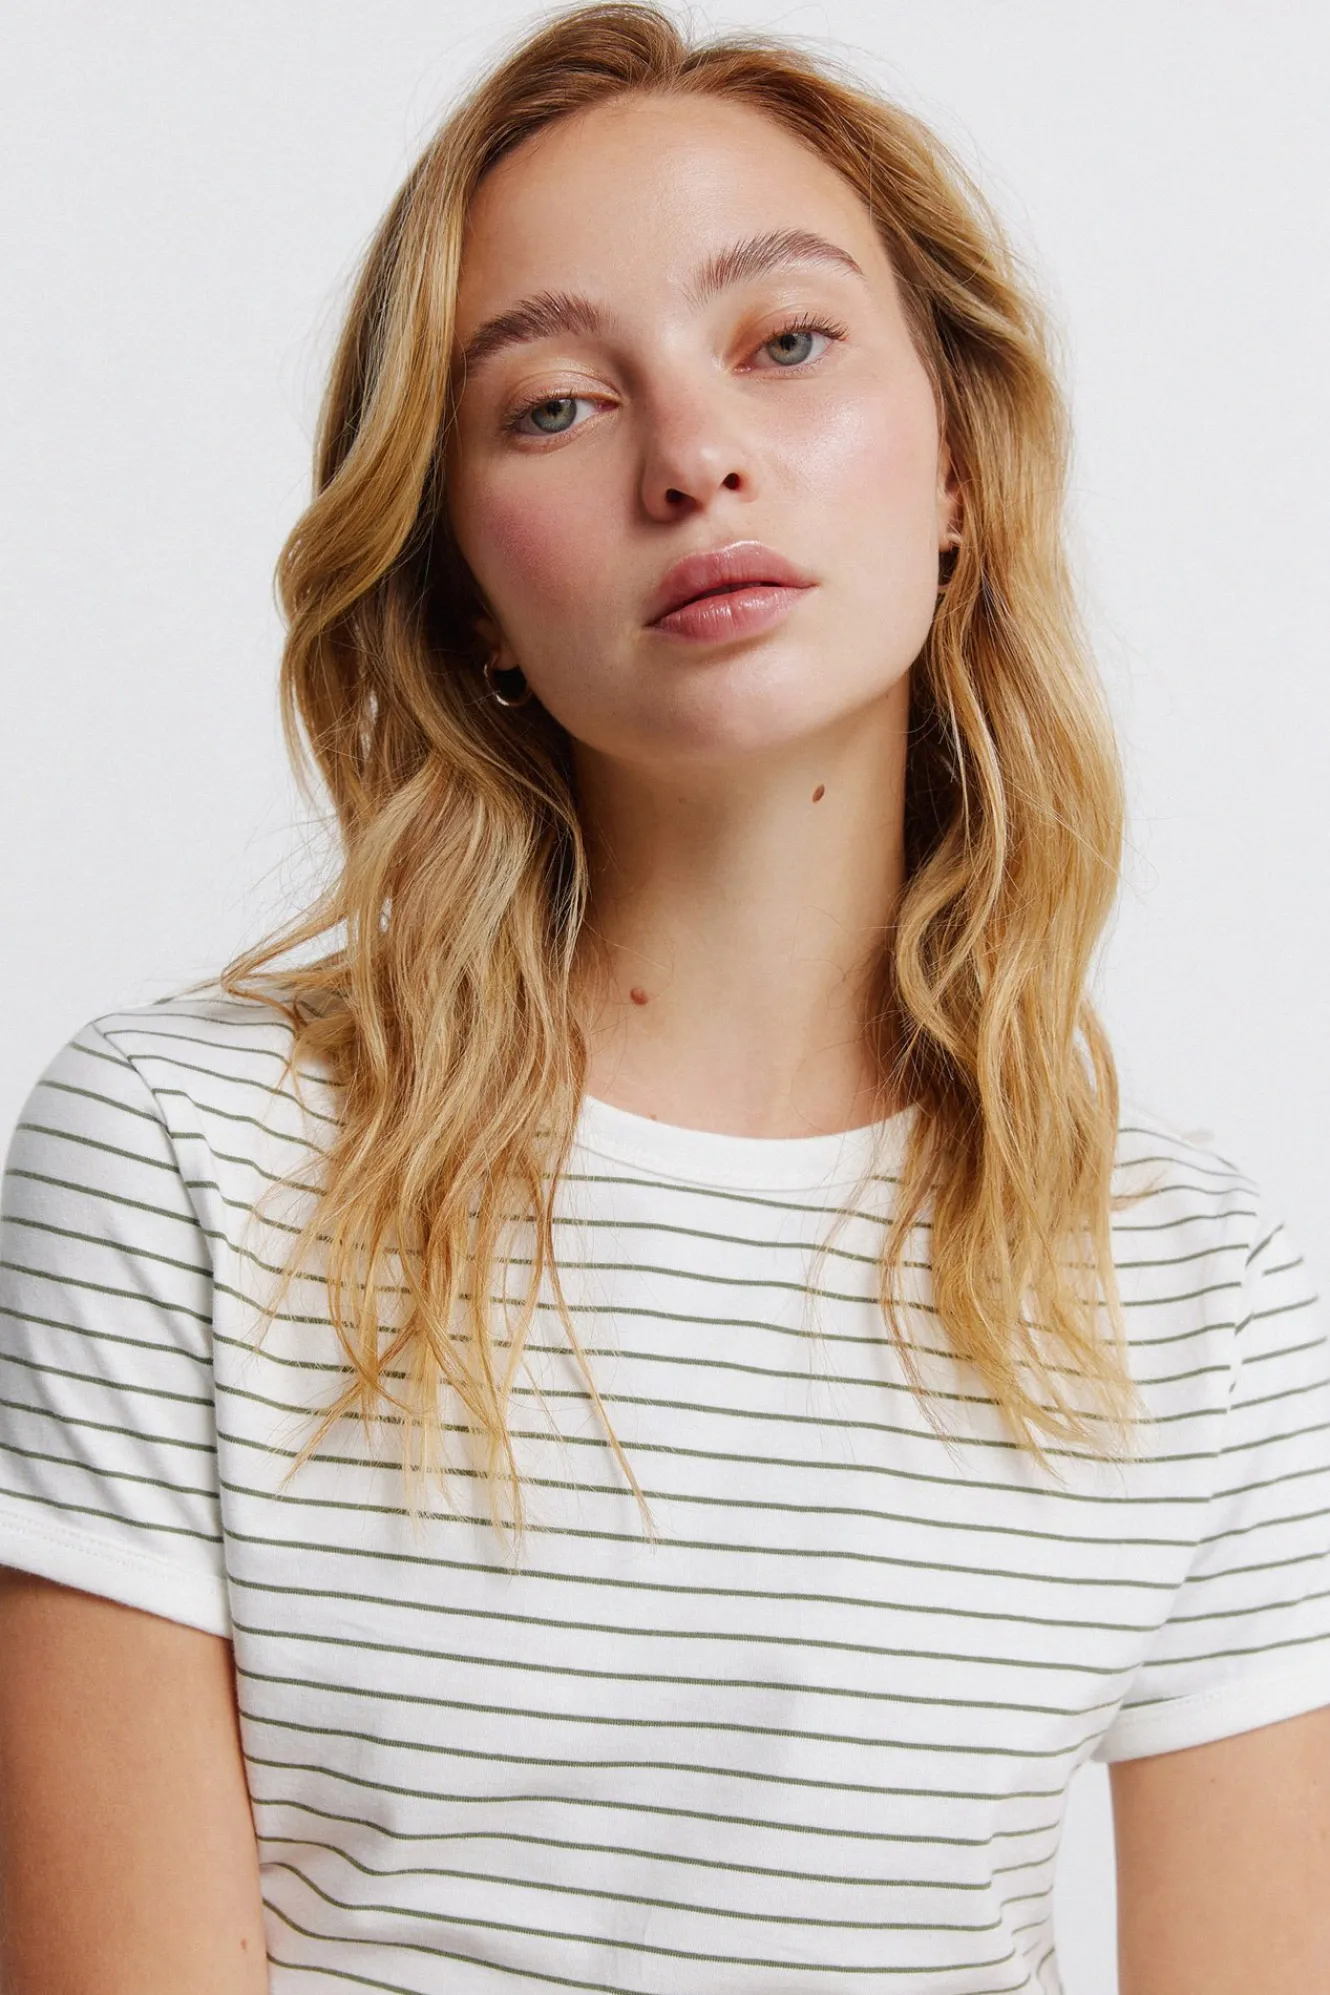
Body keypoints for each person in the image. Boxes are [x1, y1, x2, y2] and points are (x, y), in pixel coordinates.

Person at [0, 4, 1327, 1989]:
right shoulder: (183, 1160)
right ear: (463, 583)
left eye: (783, 342)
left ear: (955, 469)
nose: (696, 457)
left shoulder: (1189, 1286)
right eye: (551, 404)